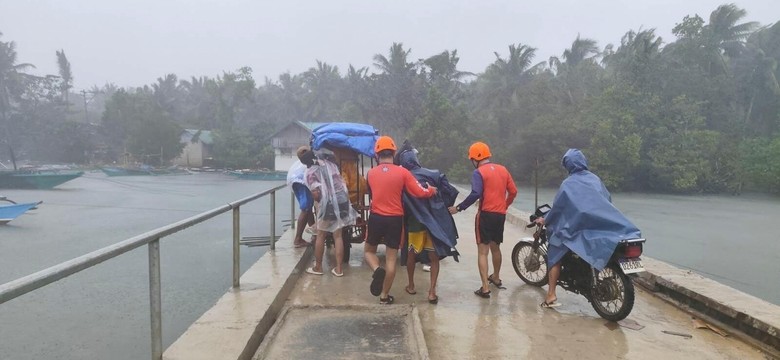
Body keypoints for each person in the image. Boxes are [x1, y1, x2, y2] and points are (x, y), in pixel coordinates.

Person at [534, 148, 641, 308]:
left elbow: (557, 209)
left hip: (577, 229)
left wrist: (546, 219)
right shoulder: (595, 180)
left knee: (554, 252)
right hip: (599, 226)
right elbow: (607, 200)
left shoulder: (568, 184)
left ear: (568, 165)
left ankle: (551, 295)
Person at [365, 136, 437, 305]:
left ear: (377, 154)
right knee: (391, 259)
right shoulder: (403, 172)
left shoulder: (370, 174)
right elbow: (419, 192)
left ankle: (376, 269)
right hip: (395, 220)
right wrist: (431, 191)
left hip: (376, 217)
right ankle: (384, 296)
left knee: (369, 251)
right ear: (394, 153)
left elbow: (371, 194)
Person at [449, 141, 517, 299]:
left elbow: (475, 193)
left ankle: (485, 288)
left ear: (475, 159)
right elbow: (513, 191)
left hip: (485, 214)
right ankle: (496, 277)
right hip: (500, 215)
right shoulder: (503, 170)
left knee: (482, 252)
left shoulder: (478, 173)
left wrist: (459, 208)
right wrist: (504, 205)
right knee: (496, 247)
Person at [396, 141, 460, 304]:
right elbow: (450, 192)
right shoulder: (434, 174)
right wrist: (441, 207)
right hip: (434, 224)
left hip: (414, 223)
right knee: (434, 257)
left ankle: (411, 285)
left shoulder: (404, 178)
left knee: (411, 254)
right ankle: (432, 292)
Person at [300, 146, 357, 277]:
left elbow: (316, 194)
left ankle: (318, 267)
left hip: (328, 204)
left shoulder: (310, 172)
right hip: (342, 201)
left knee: (321, 235)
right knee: (338, 235)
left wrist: (321, 203)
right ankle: (338, 269)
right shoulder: (331, 164)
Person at [289, 147, 316, 248]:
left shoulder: (299, 163)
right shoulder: (307, 162)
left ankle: (314, 233)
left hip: (296, 181)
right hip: (301, 182)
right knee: (305, 208)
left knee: (308, 207)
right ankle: (298, 239)